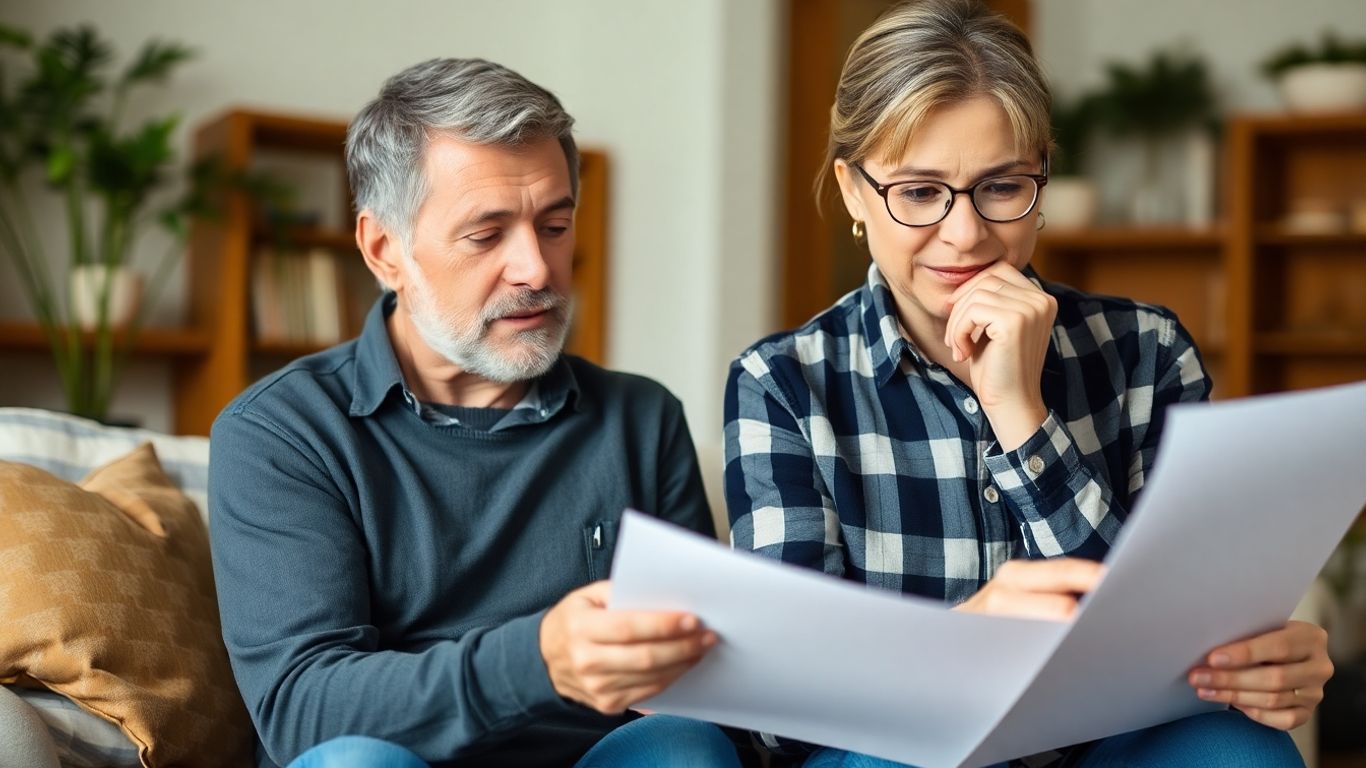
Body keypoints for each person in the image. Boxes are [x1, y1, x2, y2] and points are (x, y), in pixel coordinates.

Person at [722, 1, 1332, 766]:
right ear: (853, 191)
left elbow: (1168, 646)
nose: (965, 234)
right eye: (919, 192)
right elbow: (779, 710)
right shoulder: (783, 383)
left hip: (1097, 746)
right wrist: (959, 646)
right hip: (900, 749)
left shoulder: (1146, 351)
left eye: (1002, 187)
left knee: (1239, 748)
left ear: (1042, 177)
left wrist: (1019, 413)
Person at [209, 58, 745, 768]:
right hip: (396, 759)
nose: (536, 269)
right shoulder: (282, 432)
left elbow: (703, 679)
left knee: (685, 745)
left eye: (555, 226)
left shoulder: (641, 420)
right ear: (384, 250)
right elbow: (304, 709)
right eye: (486, 235)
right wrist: (537, 660)